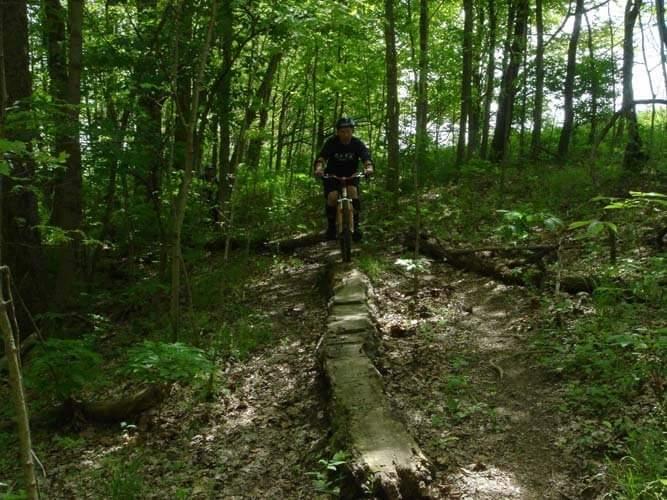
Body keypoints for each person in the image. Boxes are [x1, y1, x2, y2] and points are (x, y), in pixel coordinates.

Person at [314, 117, 374, 241]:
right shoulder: (331, 142)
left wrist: (368, 168)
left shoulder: (357, 143)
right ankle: (331, 228)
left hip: (351, 175)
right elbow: (322, 157)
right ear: (338, 132)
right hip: (333, 175)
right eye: (342, 131)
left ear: (352, 131)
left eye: (348, 131)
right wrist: (319, 168)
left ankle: (356, 226)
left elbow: (366, 157)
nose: (345, 134)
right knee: (332, 197)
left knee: (353, 192)